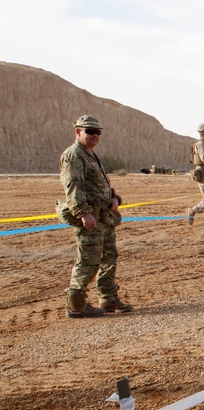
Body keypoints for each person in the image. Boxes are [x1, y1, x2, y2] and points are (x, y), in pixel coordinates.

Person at [59, 115, 132, 317]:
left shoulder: (89, 154)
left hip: (104, 217)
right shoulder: (74, 155)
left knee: (109, 256)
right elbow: (73, 187)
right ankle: (76, 305)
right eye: (90, 131)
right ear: (78, 132)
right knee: (89, 259)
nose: (95, 135)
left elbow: (100, 185)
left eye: (98, 132)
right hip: (90, 218)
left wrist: (114, 198)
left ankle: (108, 298)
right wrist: (83, 213)